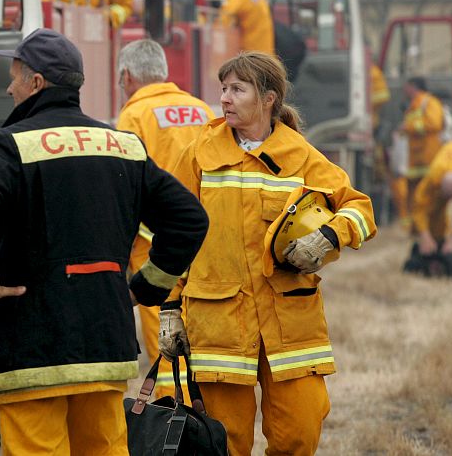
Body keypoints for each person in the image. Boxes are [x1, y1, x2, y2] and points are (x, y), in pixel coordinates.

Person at [0, 28, 209, 455]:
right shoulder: (123, 145)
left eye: (14, 76)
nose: (8, 87)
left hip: (31, 348)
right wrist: (143, 290)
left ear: (36, 84)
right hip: (104, 344)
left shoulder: (12, 146)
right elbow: (190, 219)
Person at [159, 51, 376, 455]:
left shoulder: (301, 155)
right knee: (225, 440)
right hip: (218, 322)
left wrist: (329, 236)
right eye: (223, 88)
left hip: (289, 324)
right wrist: (169, 308)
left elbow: (359, 208)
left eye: (237, 89)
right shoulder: (198, 155)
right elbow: (172, 234)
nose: (224, 98)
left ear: (268, 97)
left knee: (300, 430)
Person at [115, 38, 215, 399]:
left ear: (126, 76)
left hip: (154, 241)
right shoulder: (202, 109)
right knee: (200, 327)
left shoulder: (133, 116)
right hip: (204, 234)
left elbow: (126, 182)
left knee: (165, 332)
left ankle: (174, 416)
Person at [404, 140, 452, 279]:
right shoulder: (433, 177)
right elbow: (419, 208)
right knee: (434, 230)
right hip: (440, 184)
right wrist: (425, 236)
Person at [398, 76, 444, 225]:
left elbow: (434, 123)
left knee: (427, 193)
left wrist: (409, 127)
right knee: (414, 192)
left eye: (407, 86)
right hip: (416, 158)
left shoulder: (429, 102)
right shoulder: (414, 104)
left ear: (414, 86)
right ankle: (416, 224)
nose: (404, 90)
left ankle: (428, 223)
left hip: (428, 156)